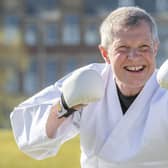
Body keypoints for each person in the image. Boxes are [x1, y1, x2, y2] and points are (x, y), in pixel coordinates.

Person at [10, 6, 168, 168]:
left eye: (144, 47)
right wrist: (65, 105)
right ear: (105, 53)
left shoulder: (166, 87)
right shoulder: (90, 79)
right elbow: (31, 140)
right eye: (123, 48)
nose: (134, 57)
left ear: (155, 48)